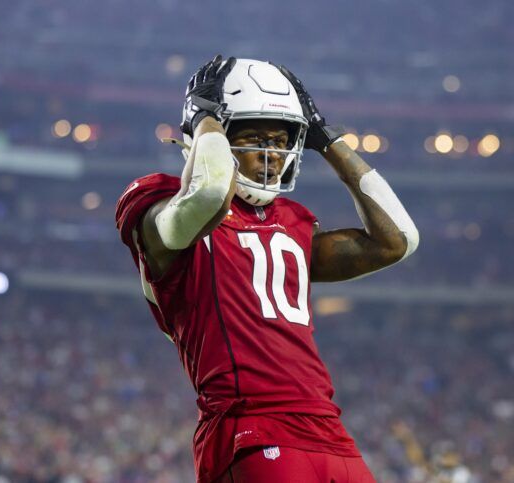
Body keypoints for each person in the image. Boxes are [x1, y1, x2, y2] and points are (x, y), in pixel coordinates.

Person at [115, 54, 419, 482]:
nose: (271, 154)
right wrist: (205, 119)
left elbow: (398, 241)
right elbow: (208, 195)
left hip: (328, 429)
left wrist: (327, 138)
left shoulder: (292, 221)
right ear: (215, 134)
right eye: (254, 137)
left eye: (280, 140)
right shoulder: (160, 204)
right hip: (250, 426)